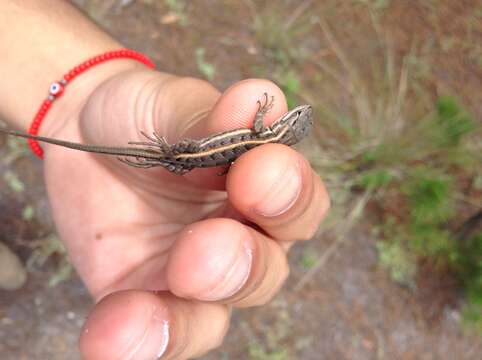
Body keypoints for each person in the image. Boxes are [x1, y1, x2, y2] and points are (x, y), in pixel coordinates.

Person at [0, 1, 330, 359]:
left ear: (285, 125)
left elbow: (253, 125)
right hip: (186, 156)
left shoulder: (261, 138)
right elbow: (235, 151)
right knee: (185, 158)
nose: (296, 113)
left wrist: (78, 104)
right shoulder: (261, 143)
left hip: (186, 151)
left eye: (295, 117)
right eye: (296, 115)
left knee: (192, 160)